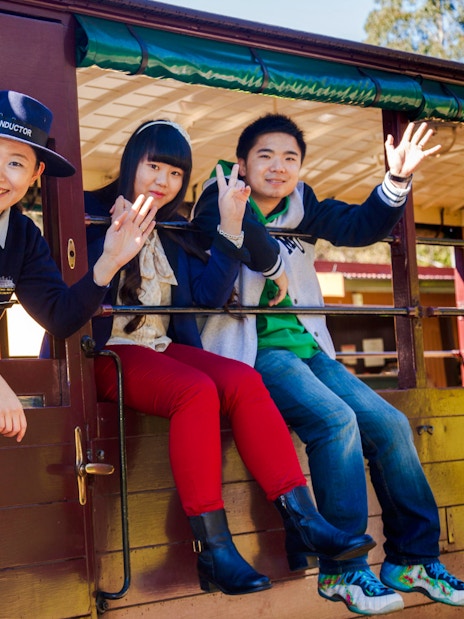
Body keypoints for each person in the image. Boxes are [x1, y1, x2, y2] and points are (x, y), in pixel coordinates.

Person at [84, 119, 375, 598]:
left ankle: (304, 519)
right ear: (130, 162)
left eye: (175, 174)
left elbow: (203, 299)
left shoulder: (173, 225)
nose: (163, 181)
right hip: (105, 351)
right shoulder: (91, 212)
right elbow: (72, 299)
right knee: (195, 391)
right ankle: (215, 551)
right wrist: (113, 251)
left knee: (241, 378)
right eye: (153, 167)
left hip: (159, 346)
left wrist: (231, 229)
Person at [191, 113, 464, 615]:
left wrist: (397, 179)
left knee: (391, 423)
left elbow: (360, 227)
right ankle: (345, 570)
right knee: (336, 422)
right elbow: (250, 241)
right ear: (242, 163)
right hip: (253, 352)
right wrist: (275, 268)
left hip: (309, 347)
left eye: (290, 158)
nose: (278, 167)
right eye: (266, 156)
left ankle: (413, 559)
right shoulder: (221, 192)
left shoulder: (302, 203)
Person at [0, 90, 158, 444]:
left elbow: (59, 317)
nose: (0, 174)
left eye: (14, 163)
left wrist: (110, 261)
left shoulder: (21, 235)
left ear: (35, 173)